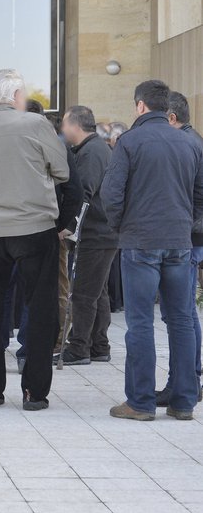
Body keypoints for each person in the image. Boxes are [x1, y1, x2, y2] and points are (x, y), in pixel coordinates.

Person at [0, 69, 69, 411]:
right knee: (40, 309)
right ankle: (34, 392)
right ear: (15, 97)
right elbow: (62, 170)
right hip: (33, 226)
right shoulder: (34, 124)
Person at [101, 81, 203, 421]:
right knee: (182, 321)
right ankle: (184, 401)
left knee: (140, 323)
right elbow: (199, 196)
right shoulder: (189, 142)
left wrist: (121, 228)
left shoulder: (129, 142)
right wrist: (185, 226)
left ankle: (141, 402)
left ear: (140, 106)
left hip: (140, 241)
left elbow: (111, 195)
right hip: (179, 241)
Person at [55, 106, 118, 365]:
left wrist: (69, 225)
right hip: (102, 232)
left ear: (76, 125)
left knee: (82, 293)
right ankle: (99, 345)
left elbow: (85, 193)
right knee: (97, 292)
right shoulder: (94, 149)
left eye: (65, 124)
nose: (62, 129)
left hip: (96, 233)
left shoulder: (92, 152)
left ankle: (79, 348)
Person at [157, 91, 203, 407]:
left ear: (172, 118)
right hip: (190, 236)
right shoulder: (191, 141)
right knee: (184, 313)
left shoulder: (188, 144)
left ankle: (186, 381)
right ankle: (187, 380)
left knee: (182, 313)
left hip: (188, 238)